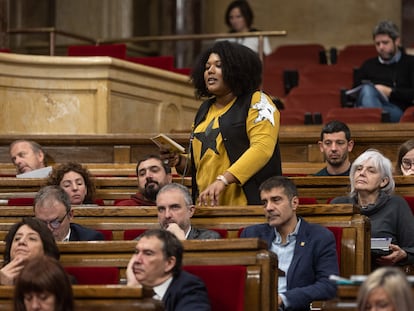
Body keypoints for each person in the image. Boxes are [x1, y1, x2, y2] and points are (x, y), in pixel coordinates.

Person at [162, 40, 282, 206]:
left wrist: (223, 180)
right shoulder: (204, 109)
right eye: (206, 67)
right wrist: (179, 161)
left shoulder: (258, 101)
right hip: (205, 206)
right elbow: (203, 163)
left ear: (237, 70)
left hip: (247, 207)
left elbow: (262, 149)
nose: (210, 71)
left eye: (218, 65)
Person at [240, 176, 338, 310]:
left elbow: (329, 285)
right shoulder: (251, 235)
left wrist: (284, 299)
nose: (269, 208)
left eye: (276, 200)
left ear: (294, 203)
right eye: (264, 202)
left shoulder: (319, 237)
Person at [331, 149, 414, 269]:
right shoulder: (338, 204)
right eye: (358, 169)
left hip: (384, 275)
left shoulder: (397, 205)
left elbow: (411, 248)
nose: (362, 173)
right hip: (343, 271)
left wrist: (403, 255)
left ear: (383, 181)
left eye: (371, 171)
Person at [126, 229, 211, 311]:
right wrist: (132, 291)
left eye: (148, 253)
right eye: (137, 252)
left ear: (169, 263)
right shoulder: (130, 285)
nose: (137, 260)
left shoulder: (189, 288)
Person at [353, 20, 414, 122]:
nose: (381, 47)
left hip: (396, 110)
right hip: (368, 105)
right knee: (367, 90)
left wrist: (389, 92)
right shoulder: (368, 65)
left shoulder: (410, 62)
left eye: (385, 43)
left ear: (397, 41)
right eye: (377, 44)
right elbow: (355, 92)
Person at [1, 217, 60, 285]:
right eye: (17, 239)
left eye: (32, 238)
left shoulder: (58, 280)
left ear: (45, 249)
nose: (21, 241)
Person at [33, 185, 104, 241]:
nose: (48, 229)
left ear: (70, 215)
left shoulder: (89, 239)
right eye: (42, 223)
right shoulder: (28, 241)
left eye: (55, 222)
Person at [156, 183, 221, 240]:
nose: (167, 215)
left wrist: (182, 242)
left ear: (190, 211)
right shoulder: (150, 240)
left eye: (174, 207)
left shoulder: (209, 238)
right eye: (161, 209)